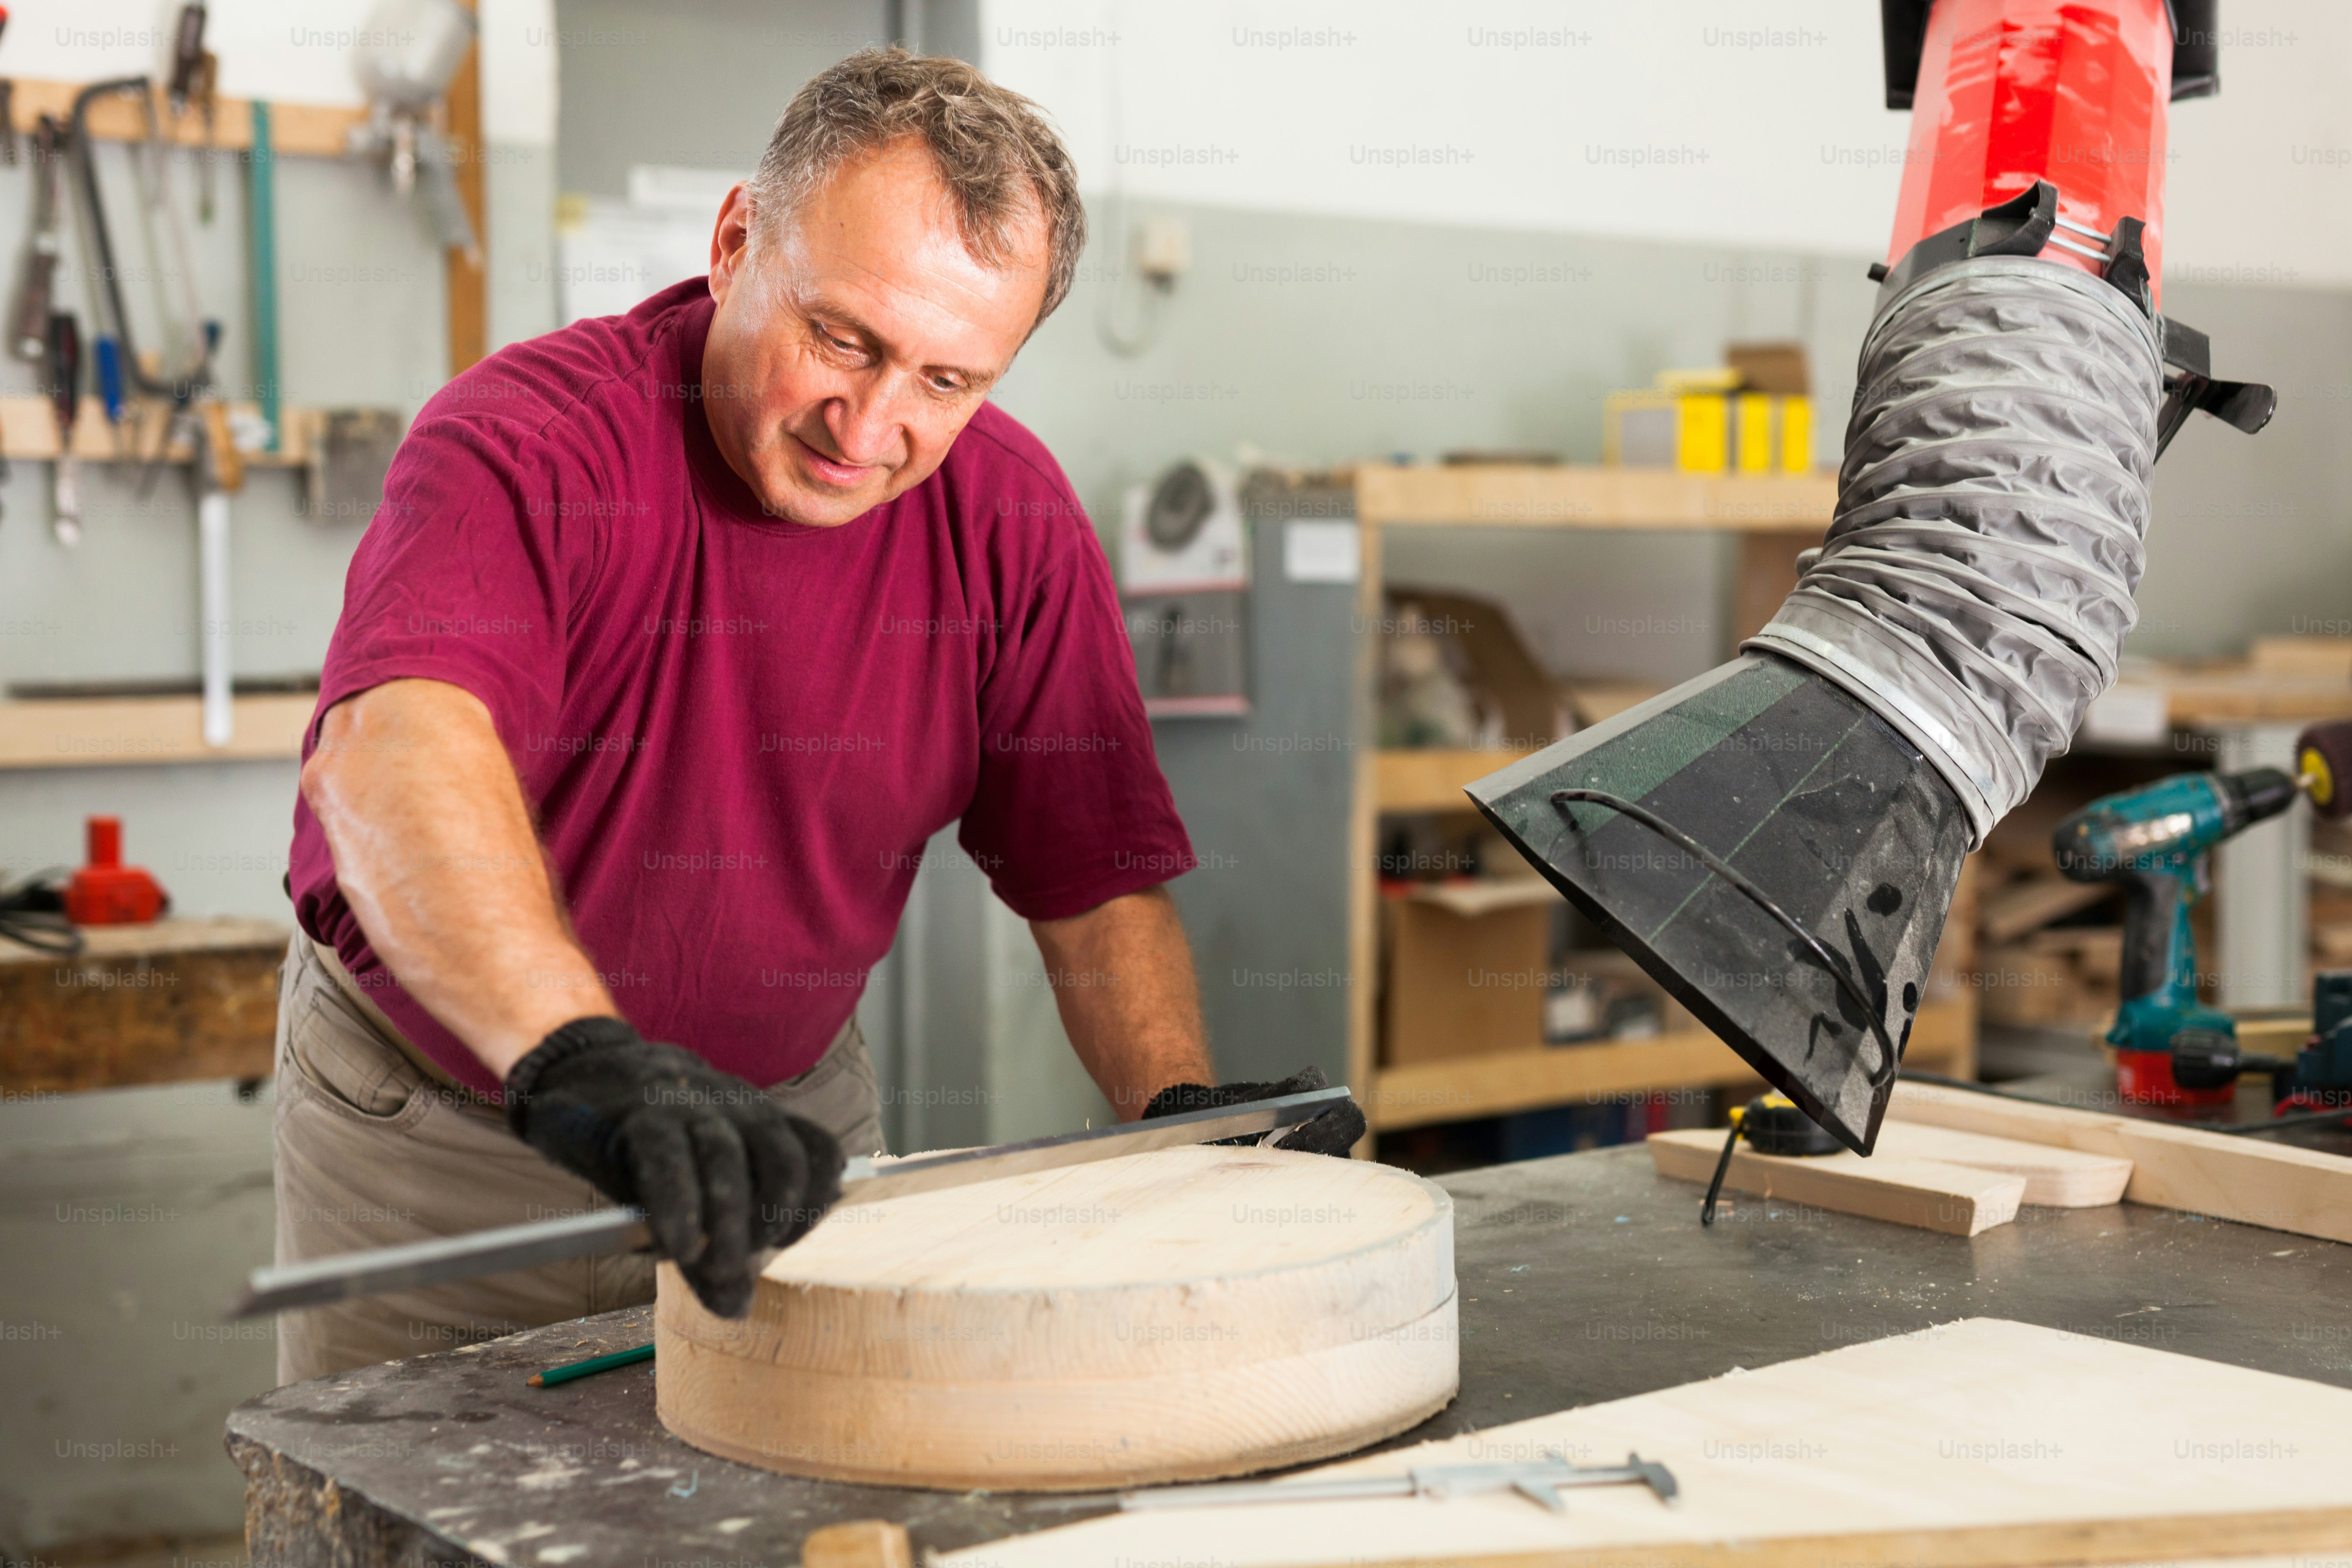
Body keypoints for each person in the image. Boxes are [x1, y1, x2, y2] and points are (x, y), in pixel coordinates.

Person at [272, 47, 1362, 1386]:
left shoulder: (1012, 520)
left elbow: (1095, 881)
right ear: (735, 244)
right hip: (457, 1140)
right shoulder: (526, 444)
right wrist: (579, 1058)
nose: (873, 424)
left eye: (949, 381)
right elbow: (393, 758)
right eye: (842, 340)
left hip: (786, 1137)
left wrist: (1177, 1118)